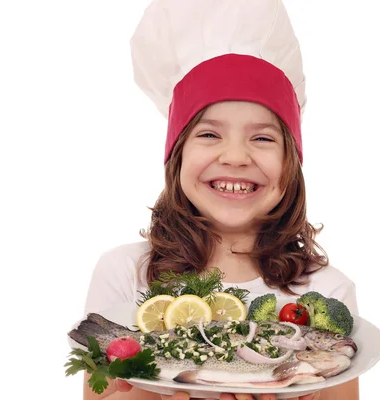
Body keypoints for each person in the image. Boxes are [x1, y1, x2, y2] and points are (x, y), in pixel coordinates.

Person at [80, 1, 359, 399]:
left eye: (262, 138)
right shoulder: (125, 272)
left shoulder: (329, 290)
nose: (235, 156)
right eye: (209, 134)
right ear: (176, 157)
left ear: (291, 164)